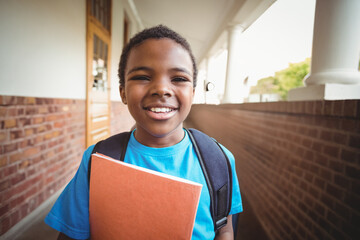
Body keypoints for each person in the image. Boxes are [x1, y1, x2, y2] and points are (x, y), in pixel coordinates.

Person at [45, 25, 242, 240]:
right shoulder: (98, 160)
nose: (161, 89)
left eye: (178, 79)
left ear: (192, 94)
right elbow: (71, 235)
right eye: (142, 77)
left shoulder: (218, 160)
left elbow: (224, 228)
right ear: (123, 93)